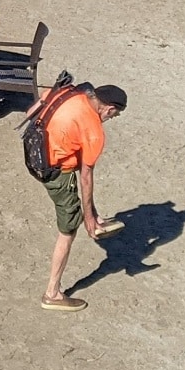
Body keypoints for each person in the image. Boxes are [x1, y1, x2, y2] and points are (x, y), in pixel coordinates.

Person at [35, 82, 129, 312]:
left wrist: (91, 211)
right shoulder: (94, 129)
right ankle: (53, 293)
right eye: (114, 115)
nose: (111, 118)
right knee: (68, 229)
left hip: (36, 154)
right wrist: (87, 217)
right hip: (57, 173)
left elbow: (35, 108)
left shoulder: (70, 94)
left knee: (80, 211)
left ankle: (94, 218)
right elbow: (85, 177)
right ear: (108, 109)